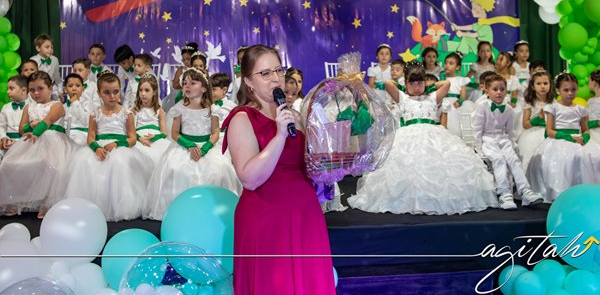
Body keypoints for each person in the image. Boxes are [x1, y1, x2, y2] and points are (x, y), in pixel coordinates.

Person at [222, 45, 336, 294]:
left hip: (305, 215)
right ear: (248, 81)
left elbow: (310, 167)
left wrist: (333, 160)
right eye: (265, 73)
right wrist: (280, 136)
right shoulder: (242, 118)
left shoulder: (295, 115)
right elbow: (250, 178)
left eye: (278, 70)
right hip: (266, 218)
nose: (276, 78)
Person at [347, 61, 498, 215]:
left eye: (420, 82)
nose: (416, 86)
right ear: (406, 83)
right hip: (407, 137)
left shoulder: (432, 97)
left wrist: (430, 87)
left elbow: (446, 84)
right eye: (412, 83)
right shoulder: (403, 97)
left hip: (434, 136)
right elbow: (387, 83)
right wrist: (403, 87)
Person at [144, 68, 241, 220]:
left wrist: (205, 149)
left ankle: (212, 210)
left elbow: (215, 133)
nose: (187, 86)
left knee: (219, 169)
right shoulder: (179, 109)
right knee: (177, 169)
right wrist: (189, 145)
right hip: (185, 146)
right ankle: (180, 211)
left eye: (192, 83)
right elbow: (174, 133)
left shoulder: (213, 109)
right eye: (184, 83)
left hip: (206, 146)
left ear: (204, 88)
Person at [65, 72, 151, 221]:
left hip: (120, 147)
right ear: (99, 93)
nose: (112, 96)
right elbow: (90, 136)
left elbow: (132, 138)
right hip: (99, 147)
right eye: (107, 92)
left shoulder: (127, 113)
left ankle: (119, 206)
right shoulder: (95, 114)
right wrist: (96, 148)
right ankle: (90, 205)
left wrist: (118, 144)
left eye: (115, 92)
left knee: (118, 162)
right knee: (84, 162)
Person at [0, 72, 73, 218]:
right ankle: (14, 201)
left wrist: (37, 130)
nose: (36, 93)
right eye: (32, 90)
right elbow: (22, 129)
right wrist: (30, 127)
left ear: (50, 88)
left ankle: (48, 203)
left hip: (53, 141)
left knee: (51, 164)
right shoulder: (29, 107)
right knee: (9, 164)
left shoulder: (57, 105)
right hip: (33, 140)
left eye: (40, 89)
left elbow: (48, 121)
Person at [471, 73, 543, 210]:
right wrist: (478, 148)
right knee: (499, 160)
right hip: (488, 140)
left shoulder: (509, 109)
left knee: (513, 160)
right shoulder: (482, 106)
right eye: (495, 89)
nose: (499, 92)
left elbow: (510, 130)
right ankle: (504, 193)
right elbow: (477, 129)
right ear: (487, 91)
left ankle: (525, 191)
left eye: (502, 89)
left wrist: (511, 144)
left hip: (503, 139)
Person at [527, 72, 600, 202]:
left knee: (591, 157)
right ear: (558, 90)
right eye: (566, 90)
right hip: (559, 139)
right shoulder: (552, 108)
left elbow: (585, 129)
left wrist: (585, 138)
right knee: (563, 160)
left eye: (573, 89)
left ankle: (584, 193)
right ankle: (560, 194)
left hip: (578, 139)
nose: (570, 93)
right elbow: (550, 131)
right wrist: (569, 138)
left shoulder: (581, 109)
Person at [131, 74, 171, 168]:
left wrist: (156, 137)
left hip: (155, 139)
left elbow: (164, 133)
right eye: (140, 90)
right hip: (139, 139)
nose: (143, 94)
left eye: (147, 90)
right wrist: (139, 138)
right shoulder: (134, 110)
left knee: (162, 157)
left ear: (154, 92)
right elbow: (131, 131)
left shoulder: (159, 111)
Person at [517, 71, 554, 172]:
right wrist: (538, 118)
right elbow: (525, 124)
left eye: (545, 83)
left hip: (549, 132)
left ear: (550, 85)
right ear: (533, 86)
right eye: (539, 84)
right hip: (533, 133)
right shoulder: (529, 103)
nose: (542, 86)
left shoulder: (553, 102)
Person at [439, 52, 471, 136]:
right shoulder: (440, 79)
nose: (447, 65)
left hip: (454, 105)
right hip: (442, 103)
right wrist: (441, 79)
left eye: (451, 63)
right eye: (446, 63)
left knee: (453, 124)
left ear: (457, 67)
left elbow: (463, 96)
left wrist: (459, 102)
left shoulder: (461, 80)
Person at [0, 75, 29, 159]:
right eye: (7, 89)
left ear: (23, 90)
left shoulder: (32, 107)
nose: (8, 92)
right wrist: (3, 137)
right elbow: (1, 126)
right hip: (8, 144)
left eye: (11, 88)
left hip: (26, 144)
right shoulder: (6, 107)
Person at [30, 34, 62, 100]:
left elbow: (57, 76)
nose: (50, 50)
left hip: (51, 87)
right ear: (38, 48)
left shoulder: (54, 59)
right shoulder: (33, 60)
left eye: (51, 47)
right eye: (47, 47)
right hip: (38, 88)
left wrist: (60, 90)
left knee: (56, 100)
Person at [63, 73, 89, 147]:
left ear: (83, 89)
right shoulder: (63, 106)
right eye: (70, 86)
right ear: (65, 90)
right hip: (65, 135)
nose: (74, 88)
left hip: (81, 135)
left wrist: (75, 103)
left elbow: (85, 121)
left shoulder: (87, 104)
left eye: (77, 86)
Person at [589, 70, 600, 144]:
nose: (588, 84)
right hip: (590, 133)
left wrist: (594, 123)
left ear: (594, 82)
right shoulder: (591, 100)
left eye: (589, 81)